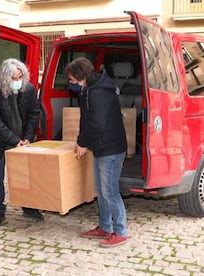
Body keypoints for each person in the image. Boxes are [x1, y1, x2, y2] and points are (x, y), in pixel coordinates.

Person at [64, 57, 128, 247]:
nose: (70, 84)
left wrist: (83, 142)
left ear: (81, 77)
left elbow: (97, 123)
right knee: (100, 190)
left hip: (111, 147)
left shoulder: (97, 93)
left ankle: (120, 231)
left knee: (109, 191)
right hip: (102, 146)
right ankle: (105, 226)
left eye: (72, 80)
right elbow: (86, 120)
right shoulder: (88, 90)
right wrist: (81, 139)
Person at [0, 58, 44, 226]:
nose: (17, 81)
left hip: (22, 141)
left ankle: (28, 207)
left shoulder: (29, 89)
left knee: (24, 176)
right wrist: (13, 140)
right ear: (4, 78)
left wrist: (27, 138)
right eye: (14, 78)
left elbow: (33, 114)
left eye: (20, 77)